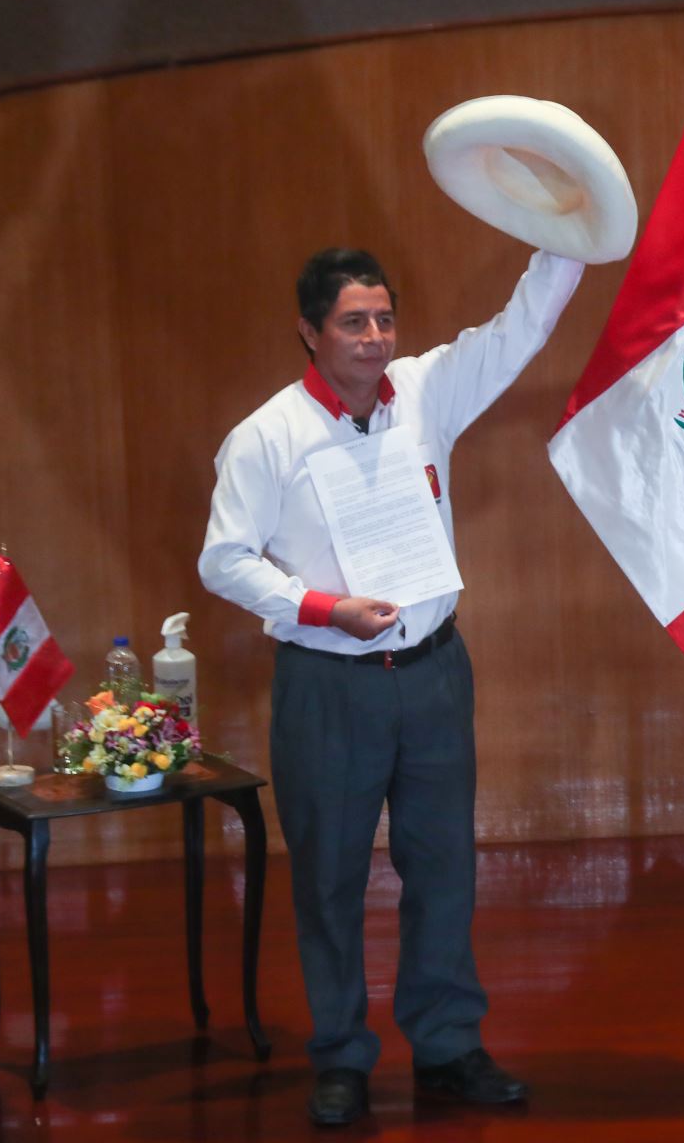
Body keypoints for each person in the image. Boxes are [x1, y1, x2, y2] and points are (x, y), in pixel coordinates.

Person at [199, 245, 583, 1125]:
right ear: (309, 331)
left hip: (434, 670)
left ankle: (448, 1046)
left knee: (444, 867)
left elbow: (522, 327)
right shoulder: (269, 435)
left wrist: (565, 231)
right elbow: (223, 559)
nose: (373, 340)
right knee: (330, 878)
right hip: (328, 684)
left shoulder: (428, 389)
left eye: (383, 320)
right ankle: (340, 1055)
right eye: (351, 323)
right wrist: (323, 606)